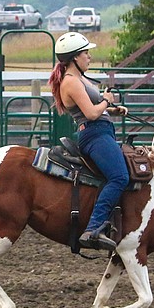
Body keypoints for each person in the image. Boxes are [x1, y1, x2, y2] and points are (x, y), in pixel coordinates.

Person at [48, 31, 129, 251]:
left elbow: (94, 109)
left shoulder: (79, 79)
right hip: (95, 134)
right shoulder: (71, 82)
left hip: (101, 131)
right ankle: (93, 228)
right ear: (75, 57)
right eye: (86, 53)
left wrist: (112, 109)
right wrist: (106, 101)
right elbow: (92, 113)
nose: (89, 57)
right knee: (120, 177)